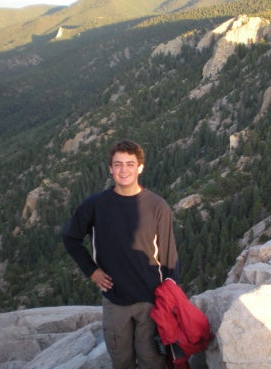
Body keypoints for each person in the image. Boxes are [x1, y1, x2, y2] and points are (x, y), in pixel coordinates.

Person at [62, 139, 179, 369]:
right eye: (118, 164)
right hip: (115, 298)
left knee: (152, 361)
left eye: (129, 163)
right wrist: (92, 271)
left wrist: (170, 299)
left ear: (140, 167)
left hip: (150, 300)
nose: (123, 169)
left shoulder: (157, 206)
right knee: (121, 360)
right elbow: (70, 237)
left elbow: (168, 257)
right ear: (110, 168)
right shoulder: (95, 205)